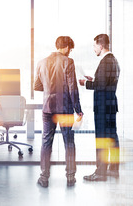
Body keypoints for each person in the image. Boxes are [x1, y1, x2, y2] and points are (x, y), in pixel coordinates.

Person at [34, 36, 83, 188]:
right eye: (70, 48)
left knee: (46, 141)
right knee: (68, 142)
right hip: (64, 109)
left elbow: (37, 86)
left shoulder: (41, 62)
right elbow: (72, 88)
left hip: (48, 108)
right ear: (66, 46)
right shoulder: (68, 62)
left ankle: (44, 177)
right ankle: (70, 177)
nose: (70, 52)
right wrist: (78, 110)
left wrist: (50, 88)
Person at [79, 34, 120, 181]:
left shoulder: (105, 62)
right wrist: (94, 79)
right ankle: (114, 169)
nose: (94, 48)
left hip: (103, 107)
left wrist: (86, 83)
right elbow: (105, 82)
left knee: (102, 138)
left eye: (95, 46)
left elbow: (101, 86)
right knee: (112, 137)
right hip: (110, 105)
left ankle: (101, 172)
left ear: (101, 46)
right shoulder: (113, 60)